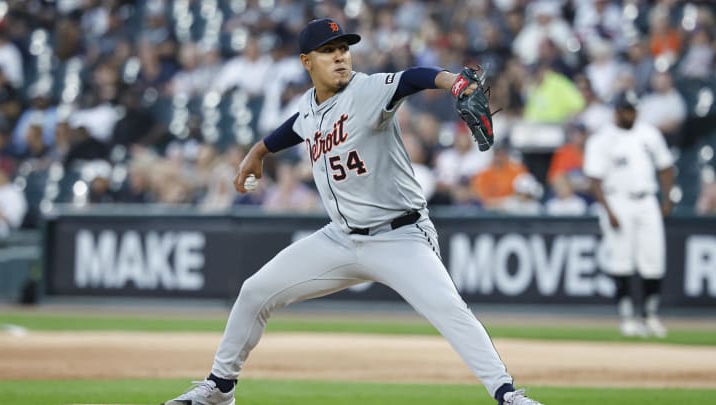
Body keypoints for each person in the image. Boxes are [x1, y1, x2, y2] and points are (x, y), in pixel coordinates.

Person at [162, 18, 544, 405]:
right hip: (340, 238)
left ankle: (507, 394)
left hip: (400, 236)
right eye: (328, 50)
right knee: (254, 292)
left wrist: (454, 82)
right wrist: (258, 152)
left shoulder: (367, 90)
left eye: (344, 48)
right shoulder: (308, 107)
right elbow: (297, 127)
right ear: (306, 61)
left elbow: (411, 78)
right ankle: (220, 389)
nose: (340, 56)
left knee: (449, 309)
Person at [583, 91, 675, 338]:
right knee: (621, 260)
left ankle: (650, 315)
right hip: (617, 200)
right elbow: (594, 180)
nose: (630, 114)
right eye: (626, 110)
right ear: (617, 111)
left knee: (653, 260)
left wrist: (668, 198)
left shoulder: (649, 134)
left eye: (633, 109)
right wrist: (608, 210)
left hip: (647, 199)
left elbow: (666, 167)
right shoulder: (603, 139)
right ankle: (627, 317)